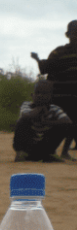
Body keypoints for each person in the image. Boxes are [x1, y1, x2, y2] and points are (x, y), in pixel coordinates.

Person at [32, 20, 77, 159]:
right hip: (59, 95)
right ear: (67, 35)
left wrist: (38, 59)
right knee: (65, 122)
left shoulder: (58, 52)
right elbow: (45, 68)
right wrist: (38, 59)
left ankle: (62, 151)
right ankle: (52, 150)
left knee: (72, 122)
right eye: (75, 33)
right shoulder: (58, 52)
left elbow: (44, 68)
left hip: (70, 95)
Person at [14, 80, 72, 162]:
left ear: (51, 97)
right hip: (27, 147)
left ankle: (48, 154)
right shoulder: (27, 105)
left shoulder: (54, 108)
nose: (40, 95)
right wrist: (40, 108)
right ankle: (21, 153)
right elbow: (25, 116)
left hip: (43, 147)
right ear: (32, 95)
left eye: (44, 93)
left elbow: (67, 122)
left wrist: (47, 122)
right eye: (37, 93)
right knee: (22, 121)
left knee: (64, 126)